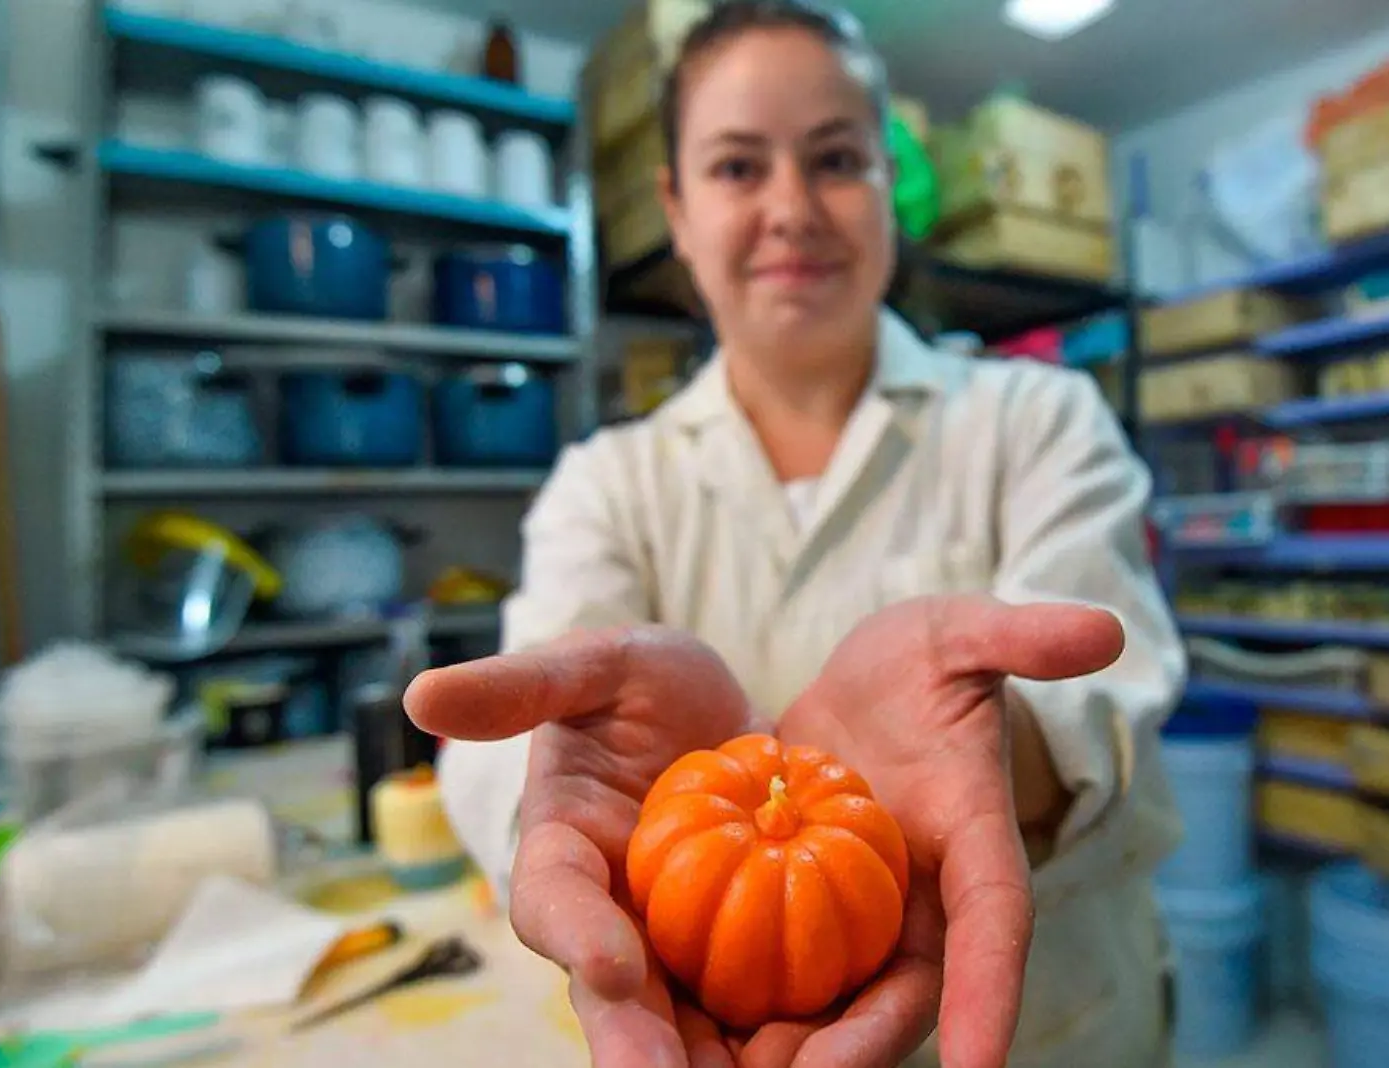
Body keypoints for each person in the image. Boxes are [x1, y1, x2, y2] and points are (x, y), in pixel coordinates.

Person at [404, 2, 1188, 1066]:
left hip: (1053, 1024)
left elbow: (1114, 685)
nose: (790, 208)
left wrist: (981, 748)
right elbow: (521, 748)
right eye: (735, 168)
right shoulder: (607, 483)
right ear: (676, 209)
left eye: (834, 159)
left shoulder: (1037, 420)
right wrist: (602, 836)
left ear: (888, 191)